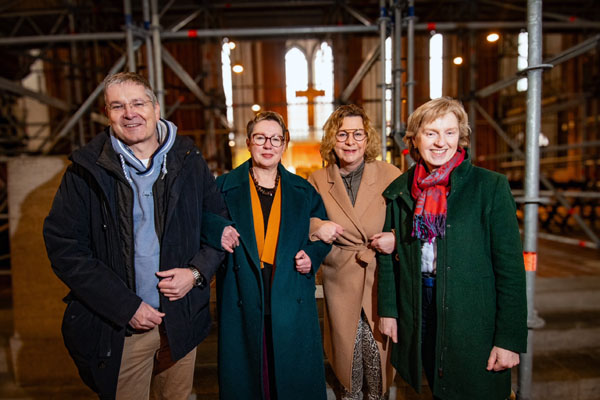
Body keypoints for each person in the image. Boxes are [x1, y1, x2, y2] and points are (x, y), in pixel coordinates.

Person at [43, 72, 228, 400]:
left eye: (138, 103)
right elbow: (65, 247)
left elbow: (217, 225)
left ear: (157, 109)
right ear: (107, 113)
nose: (130, 113)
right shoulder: (87, 170)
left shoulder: (188, 160)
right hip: (121, 328)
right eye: (118, 106)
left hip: (179, 320)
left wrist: (196, 272)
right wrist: (124, 305)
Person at [377, 97, 527, 400]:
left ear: (461, 137)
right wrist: (389, 310)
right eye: (431, 133)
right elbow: (389, 260)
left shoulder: (489, 187)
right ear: (415, 139)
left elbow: (511, 269)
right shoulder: (401, 190)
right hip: (422, 304)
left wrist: (509, 339)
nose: (440, 142)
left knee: (478, 388)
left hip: (474, 311)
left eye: (449, 132)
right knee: (439, 386)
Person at [203, 111, 332, 400]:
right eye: (261, 138)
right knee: (250, 379)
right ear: (249, 142)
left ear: (284, 144)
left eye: (276, 139)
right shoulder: (224, 186)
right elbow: (201, 220)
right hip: (242, 293)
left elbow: (321, 234)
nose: (268, 145)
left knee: (290, 379)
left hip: (289, 292)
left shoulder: (302, 189)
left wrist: (312, 256)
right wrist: (218, 229)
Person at [307, 104, 400, 399]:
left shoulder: (389, 174)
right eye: (342, 134)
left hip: (379, 277)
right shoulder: (318, 179)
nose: (350, 142)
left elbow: (411, 224)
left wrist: (395, 239)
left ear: (367, 137)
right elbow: (301, 219)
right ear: (332, 139)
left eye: (358, 134)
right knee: (347, 360)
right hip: (340, 277)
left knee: (377, 356)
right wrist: (318, 225)